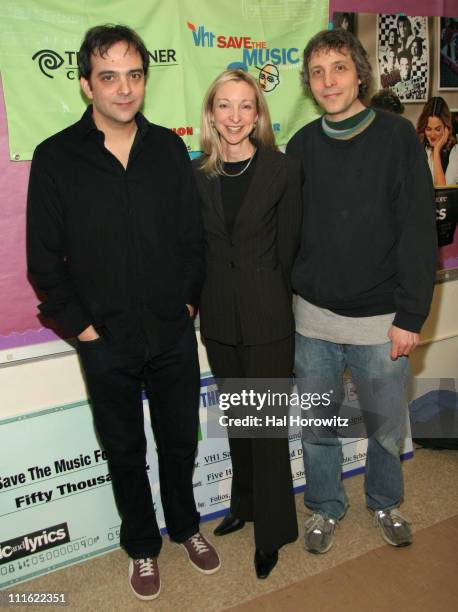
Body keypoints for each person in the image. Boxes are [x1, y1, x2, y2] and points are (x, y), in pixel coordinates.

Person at [27, 24, 220, 602]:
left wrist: (188, 301)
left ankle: (186, 526)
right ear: (87, 85)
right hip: (104, 338)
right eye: (109, 77)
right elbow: (43, 258)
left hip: (171, 331)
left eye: (134, 75)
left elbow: (193, 239)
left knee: (179, 440)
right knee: (124, 450)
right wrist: (83, 328)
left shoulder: (166, 148)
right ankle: (141, 544)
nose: (124, 88)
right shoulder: (57, 157)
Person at [286, 29, 437, 556]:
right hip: (314, 320)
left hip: (383, 320)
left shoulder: (397, 137)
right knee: (318, 428)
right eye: (318, 72)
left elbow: (419, 230)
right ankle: (325, 506)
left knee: (384, 427)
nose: (329, 81)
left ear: (360, 75)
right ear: (309, 83)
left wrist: (412, 314)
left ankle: (384, 501)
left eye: (339, 68)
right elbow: (288, 232)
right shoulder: (301, 144)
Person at [192, 69, 301, 579]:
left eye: (245, 106)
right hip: (217, 319)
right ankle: (245, 505)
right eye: (224, 106)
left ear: (257, 114)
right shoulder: (199, 174)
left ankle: (273, 531)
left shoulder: (281, 169)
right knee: (239, 422)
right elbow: (196, 251)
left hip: (267, 319)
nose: (234, 117)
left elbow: (290, 250)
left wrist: (277, 307)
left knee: (267, 430)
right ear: (211, 114)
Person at [416, 96, 458, 186]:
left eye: (437, 129)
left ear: (446, 128)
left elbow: (443, 193)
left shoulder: (454, 151)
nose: (432, 135)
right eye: (428, 129)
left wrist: (436, 150)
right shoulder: (418, 147)